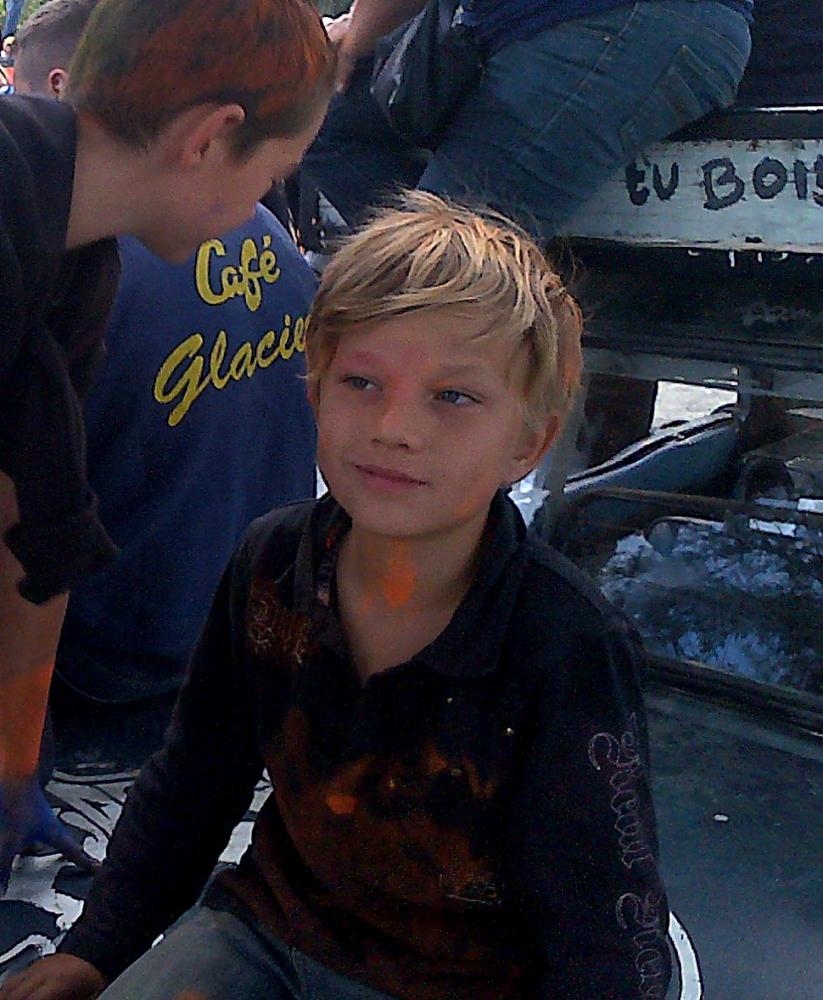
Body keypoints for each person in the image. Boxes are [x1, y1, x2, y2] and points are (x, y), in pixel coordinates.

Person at [1, 193, 671, 1000]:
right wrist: (99, 948)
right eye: (360, 381)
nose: (394, 427)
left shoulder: (562, 644)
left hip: (466, 980)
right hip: (272, 930)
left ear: (528, 442)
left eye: (452, 397)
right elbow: (193, 783)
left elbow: (606, 920)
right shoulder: (268, 565)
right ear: (314, 392)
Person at [0, 0, 335, 894]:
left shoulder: (79, 257)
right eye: (273, 173)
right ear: (210, 137)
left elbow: (37, 523)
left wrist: (15, 763)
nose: (263, 206)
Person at [302, 0, 753, 467]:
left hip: (611, 21)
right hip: (531, 24)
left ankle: (444, 463)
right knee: (327, 123)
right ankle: (473, 301)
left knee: (444, 276)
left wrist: (354, 41)